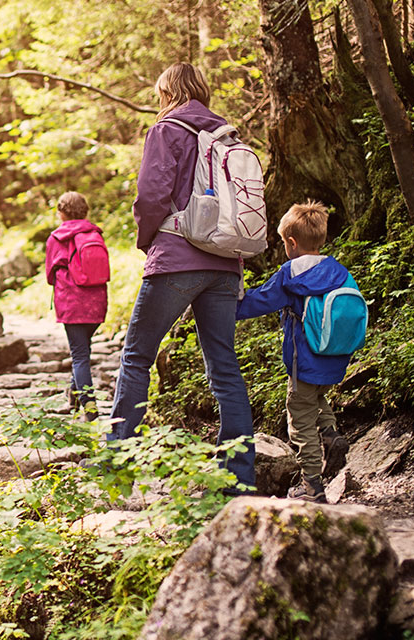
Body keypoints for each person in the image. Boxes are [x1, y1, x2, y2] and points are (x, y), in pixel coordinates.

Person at [108, 62, 255, 490]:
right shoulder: (228, 135)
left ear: (166, 91)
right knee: (224, 367)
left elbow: (152, 194)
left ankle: (119, 466)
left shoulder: (167, 128)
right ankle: (238, 478)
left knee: (137, 356)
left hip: (177, 257)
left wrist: (147, 241)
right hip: (226, 261)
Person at [236, 201, 355, 503]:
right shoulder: (337, 271)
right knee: (316, 397)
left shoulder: (290, 274)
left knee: (299, 418)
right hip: (334, 359)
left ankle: (312, 486)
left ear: (291, 243)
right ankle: (330, 433)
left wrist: (227, 304)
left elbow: (259, 301)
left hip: (304, 361)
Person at [44, 192, 109, 415]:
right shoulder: (94, 234)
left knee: (80, 355)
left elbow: (49, 276)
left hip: (71, 304)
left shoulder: (56, 238)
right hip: (97, 302)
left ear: (61, 212)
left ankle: (89, 408)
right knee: (83, 349)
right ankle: (73, 396)